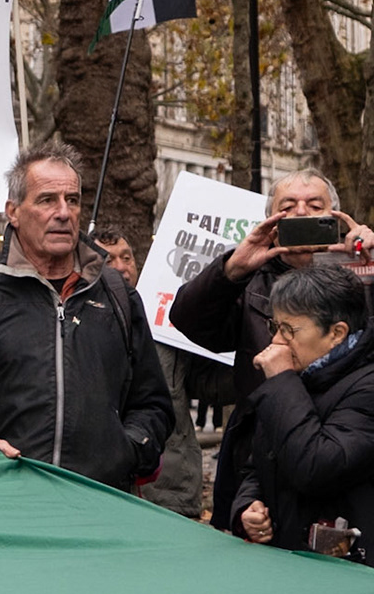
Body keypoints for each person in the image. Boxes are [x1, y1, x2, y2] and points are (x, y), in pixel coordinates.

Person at [0, 141, 174, 492]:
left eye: (72, 200)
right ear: (13, 212)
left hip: (96, 502)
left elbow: (153, 404)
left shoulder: (117, 296)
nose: (63, 212)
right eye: (47, 200)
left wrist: (127, 450)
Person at [170, 168, 374, 530]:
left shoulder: (361, 273)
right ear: (271, 221)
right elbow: (189, 321)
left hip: (344, 449)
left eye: (315, 206)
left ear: (336, 217)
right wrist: (231, 269)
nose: (301, 213)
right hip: (259, 457)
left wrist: (369, 265)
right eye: (288, 206)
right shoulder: (252, 276)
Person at [232, 268, 374, 564]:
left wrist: (281, 382)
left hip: (348, 569)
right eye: (275, 327)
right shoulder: (297, 376)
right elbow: (259, 463)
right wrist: (248, 507)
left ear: (336, 333)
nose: (277, 341)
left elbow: (317, 467)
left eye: (289, 330)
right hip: (287, 560)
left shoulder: (365, 386)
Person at [97, 222, 202, 517]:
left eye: (126, 257)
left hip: (170, 492)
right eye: (108, 260)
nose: (121, 267)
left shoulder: (168, 324)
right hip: (104, 490)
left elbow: (209, 387)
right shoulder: (73, 325)